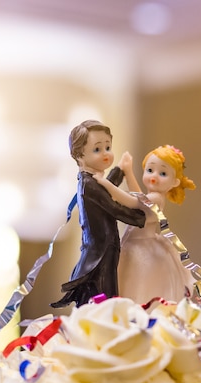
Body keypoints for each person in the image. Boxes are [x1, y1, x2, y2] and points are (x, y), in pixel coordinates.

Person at [51, 120, 146, 308]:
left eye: (108, 147)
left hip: (103, 248)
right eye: (97, 149)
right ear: (79, 156)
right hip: (101, 251)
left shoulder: (89, 181)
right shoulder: (89, 184)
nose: (105, 154)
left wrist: (119, 170)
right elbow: (114, 207)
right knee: (104, 294)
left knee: (99, 293)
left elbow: (108, 190)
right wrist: (142, 217)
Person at [94, 145, 197, 303]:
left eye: (162, 173)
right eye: (150, 170)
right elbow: (139, 196)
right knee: (126, 279)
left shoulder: (157, 199)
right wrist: (128, 172)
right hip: (134, 244)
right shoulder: (151, 196)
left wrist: (106, 185)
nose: (154, 176)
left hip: (141, 249)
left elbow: (132, 201)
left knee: (137, 282)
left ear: (175, 182)